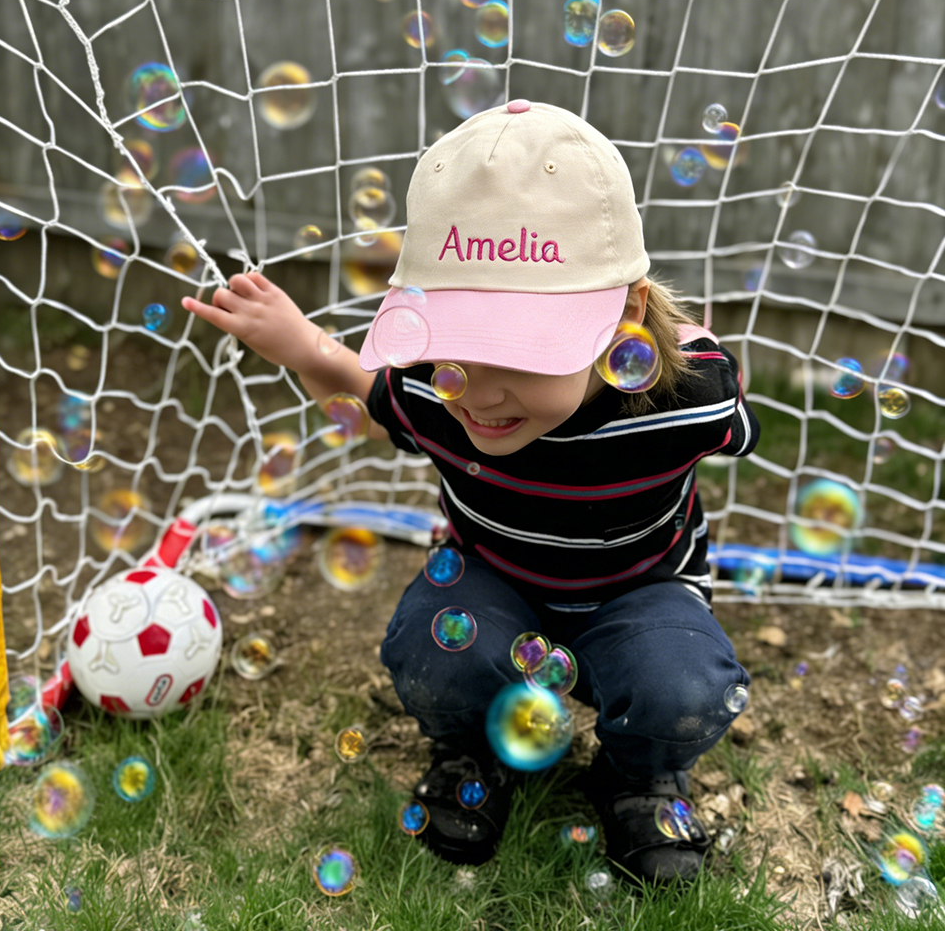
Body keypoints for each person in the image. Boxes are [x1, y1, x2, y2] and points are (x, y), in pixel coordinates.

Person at [181, 100, 759, 884]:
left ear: (622, 313)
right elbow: (357, 381)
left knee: (685, 688)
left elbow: (731, 411)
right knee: (432, 648)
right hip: (494, 586)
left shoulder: (689, 400)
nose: (477, 393)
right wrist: (298, 341)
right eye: (455, 346)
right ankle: (475, 752)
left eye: (520, 350)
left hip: (641, 594)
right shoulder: (432, 394)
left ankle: (637, 777)